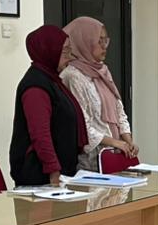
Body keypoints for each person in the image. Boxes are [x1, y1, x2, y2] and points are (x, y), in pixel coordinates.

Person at [10, 26, 88, 187]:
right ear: (50, 50)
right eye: (65, 51)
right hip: (40, 177)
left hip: (59, 172)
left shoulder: (52, 80)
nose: (70, 57)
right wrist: (53, 171)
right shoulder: (36, 86)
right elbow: (40, 134)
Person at [60, 17, 137, 171]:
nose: (104, 46)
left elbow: (119, 110)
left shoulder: (102, 71)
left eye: (105, 41)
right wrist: (115, 143)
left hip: (114, 154)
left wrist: (128, 141)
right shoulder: (72, 76)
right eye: (99, 41)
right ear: (84, 42)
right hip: (91, 161)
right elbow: (82, 124)